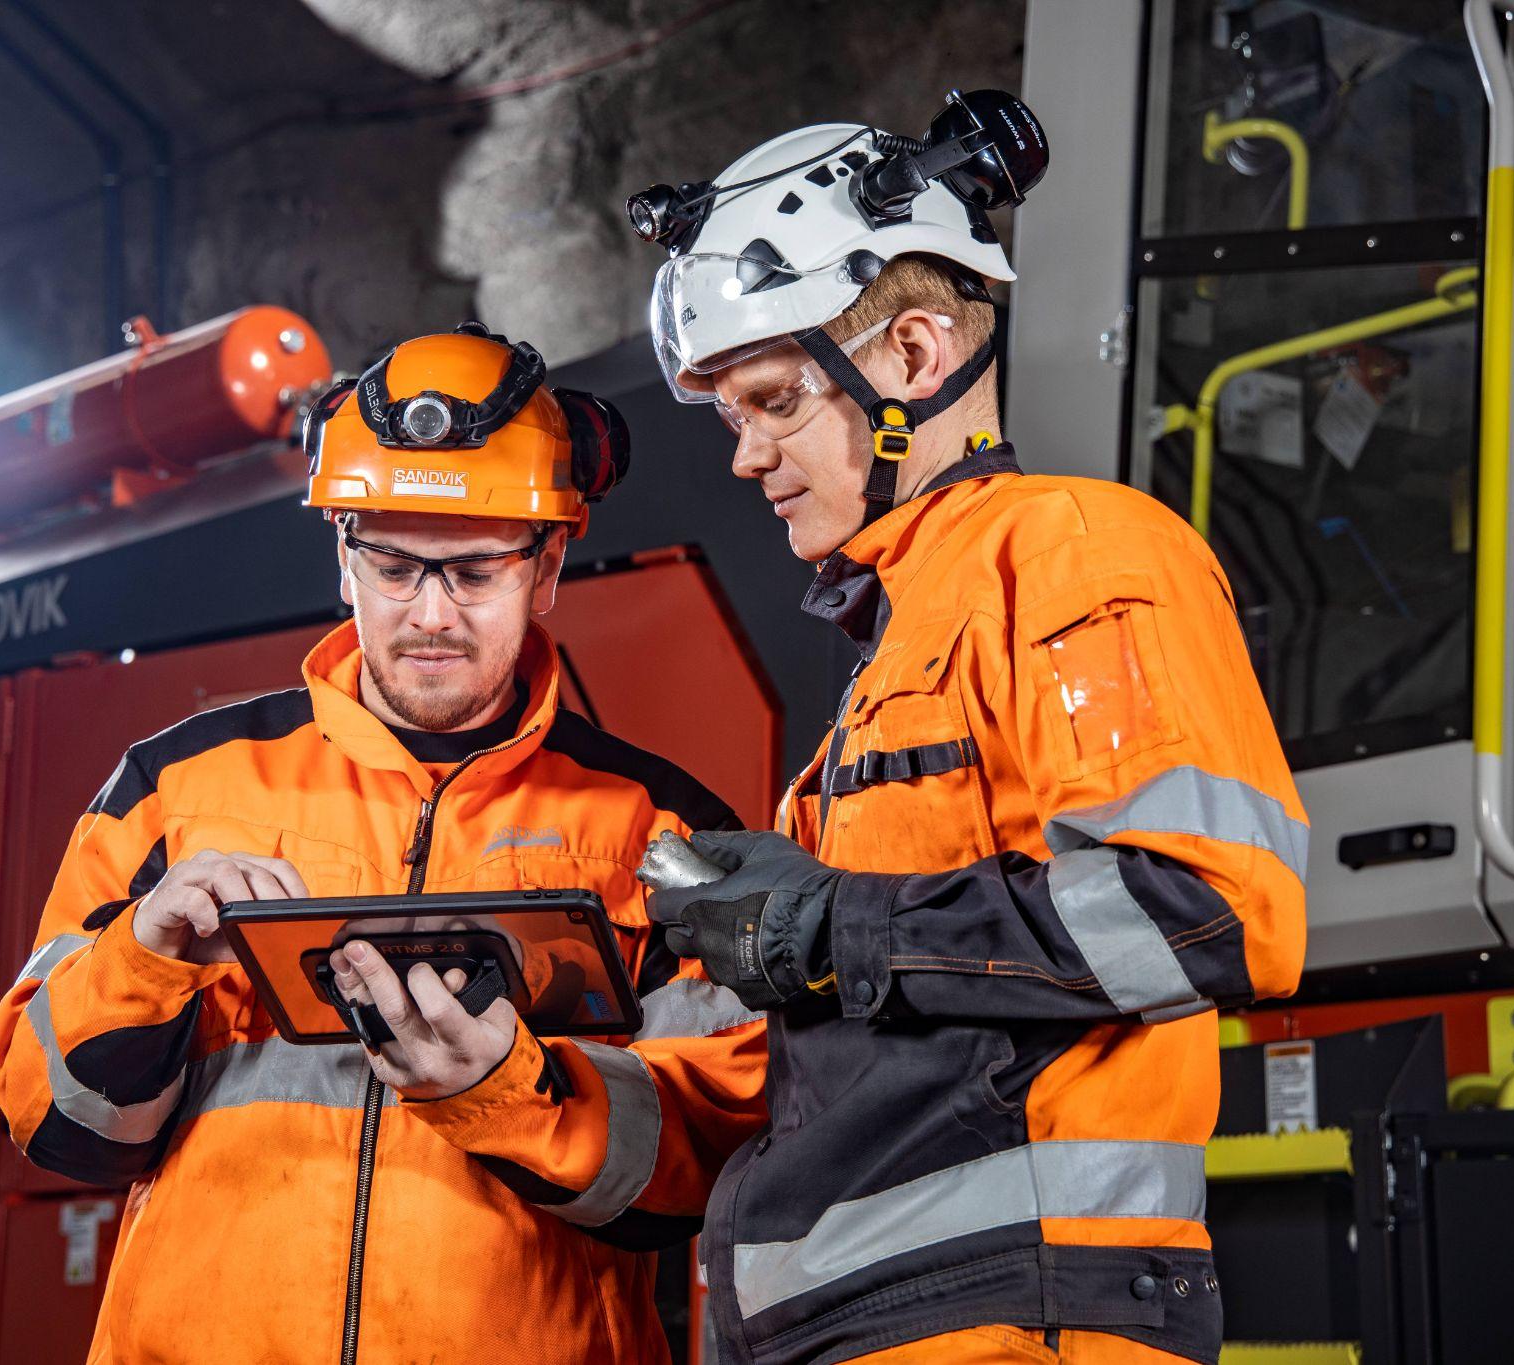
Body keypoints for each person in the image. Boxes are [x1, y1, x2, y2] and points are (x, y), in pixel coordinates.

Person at [345, 95, 1309, 1365]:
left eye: (772, 401)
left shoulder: (1071, 552)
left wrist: (825, 925)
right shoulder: (889, 661)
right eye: (730, 417)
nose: (745, 457)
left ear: (912, 356)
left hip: (1006, 1321)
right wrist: (501, 1079)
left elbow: (1209, 910)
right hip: (867, 1329)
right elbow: (759, 1076)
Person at [0, 325, 764, 1365]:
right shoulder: (176, 789)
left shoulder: (658, 834)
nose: (429, 614)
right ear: (341, 555)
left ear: (547, 567)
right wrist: (145, 957)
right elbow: (57, 1127)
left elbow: (706, 1161)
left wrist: (514, 1092)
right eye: (393, 566)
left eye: (475, 570)